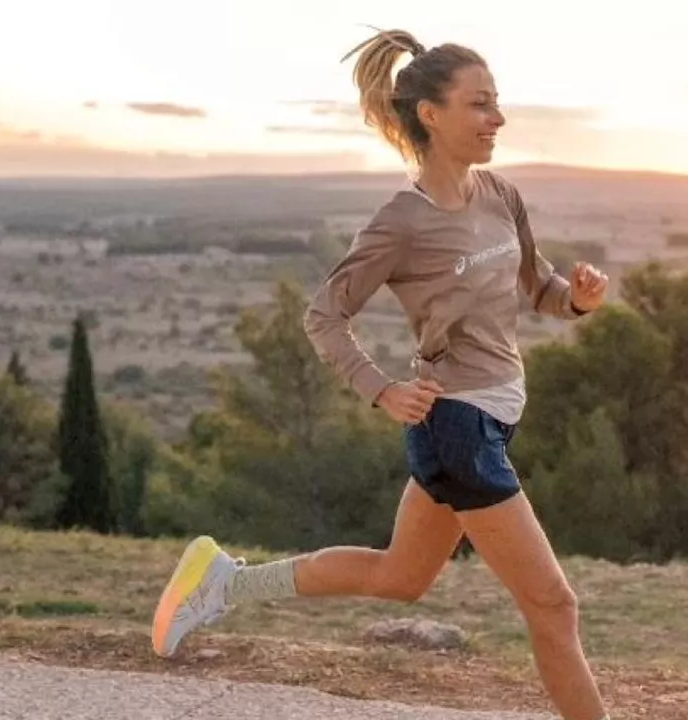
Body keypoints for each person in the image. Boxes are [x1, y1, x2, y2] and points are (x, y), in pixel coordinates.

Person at [149, 27, 612, 720]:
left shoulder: (500, 195)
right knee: (553, 604)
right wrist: (381, 388)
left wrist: (574, 298)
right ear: (432, 115)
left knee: (400, 576)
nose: (499, 118)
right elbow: (324, 316)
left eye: (498, 102)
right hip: (458, 427)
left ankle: (223, 583)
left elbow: (535, 285)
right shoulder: (402, 222)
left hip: (484, 420)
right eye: (481, 104)